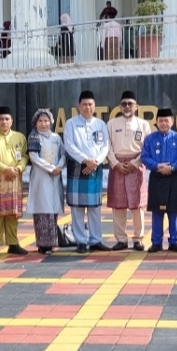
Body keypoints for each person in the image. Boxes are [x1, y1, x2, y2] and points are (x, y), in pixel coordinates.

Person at [64, 91, 112, 253]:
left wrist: (95, 162)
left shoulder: (100, 124)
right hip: (77, 167)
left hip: (95, 168)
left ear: (95, 106)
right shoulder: (71, 123)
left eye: (90, 104)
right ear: (79, 106)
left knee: (95, 207)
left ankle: (96, 239)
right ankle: (81, 241)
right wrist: (86, 160)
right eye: (84, 104)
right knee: (77, 208)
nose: (87, 107)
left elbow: (106, 145)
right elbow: (69, 145)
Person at [107, 91, 152, 251]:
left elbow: (147, 147)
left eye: (130, 104)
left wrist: (135, 163)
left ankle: (138, 239)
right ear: (120, 106)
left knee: (137, 205)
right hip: (117, 166)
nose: (127, 106)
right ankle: (121, 239)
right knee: (118, 205)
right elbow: (107, 147)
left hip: (136, 166)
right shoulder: (111, 124)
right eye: (124, 104)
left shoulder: (143, 125)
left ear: (136, 107)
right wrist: (115, 163)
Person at [0, 106, 29, 256]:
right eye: (1, 119)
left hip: (15, 178)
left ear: (12, 121)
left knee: (12, 213)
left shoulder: (19, 137)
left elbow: (24, 156)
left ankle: (13, 243)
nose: (4, 122)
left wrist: (19, 168)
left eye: (7, 119)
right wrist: (4, 169)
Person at [142, 108, 177, 252]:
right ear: (156, 122)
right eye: (160, 121)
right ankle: (156, 242)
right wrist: (157, 166)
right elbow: (145, 157)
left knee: (173, 211)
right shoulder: (150, 139)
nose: (163, 123)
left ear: (172, 122)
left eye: (166, 120)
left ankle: (174, 241)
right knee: (157, 212)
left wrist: (172, 167)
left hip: (173, 177)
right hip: (156, 177)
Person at [27, 109, 66, 255]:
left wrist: (59, 166)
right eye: (40, 121)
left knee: (53, 209)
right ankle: (43, 244)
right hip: (41, 177)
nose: (43, 124)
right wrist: (50, 168)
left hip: (56, 175)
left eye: (46, 121)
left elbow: (63, 154)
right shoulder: (34, 137)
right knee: (42, 209)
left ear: (51, 122)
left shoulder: (56, 137)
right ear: (35, 123)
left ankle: (52, 242)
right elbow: (34, 157)